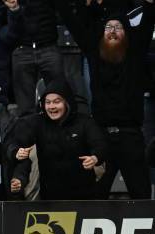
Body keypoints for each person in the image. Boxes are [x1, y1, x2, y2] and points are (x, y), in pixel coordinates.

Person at [55, 0, 154, 199]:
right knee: (95, 196)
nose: (113, 31)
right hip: (100, 138)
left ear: (127, 34)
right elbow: (72, 22)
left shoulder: (135, 53)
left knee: (142, 195)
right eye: (108, 27)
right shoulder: (94, 52)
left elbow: (148, 19)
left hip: (131, 137)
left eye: (118, 27)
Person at [8, 79, 108, 200]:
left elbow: (100, 144)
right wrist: (15, 152)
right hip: (50, 199)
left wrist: (95, 157)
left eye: (56, 102)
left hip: (84, 197)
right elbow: (16, 142)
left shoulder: (84, 122)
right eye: (48, 102)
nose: (51, 107)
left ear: (67, 102)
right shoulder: (37, 123)